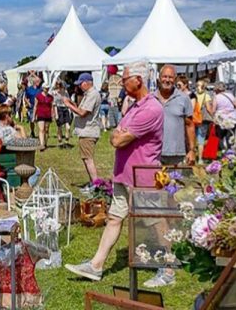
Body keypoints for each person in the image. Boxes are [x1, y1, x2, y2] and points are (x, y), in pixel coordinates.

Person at [65, 61, 164, 282]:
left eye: (125, 78)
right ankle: (96, 265)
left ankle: (167, 268)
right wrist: (118, 134)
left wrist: (118, 135)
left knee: (155, 223)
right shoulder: (135, 105)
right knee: (114, 217)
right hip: (124, 175)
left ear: (138, 80)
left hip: (143, 177)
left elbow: (118, 139)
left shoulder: (151, 108)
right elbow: (115, 134)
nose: (121, 82)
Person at [63, 72, 101, 183]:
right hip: (86, 130)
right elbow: (81, 109)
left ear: (87, 83)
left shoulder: (93, 94)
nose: (79, 86)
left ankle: (95, 185)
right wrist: (73, 104)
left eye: (81, 83)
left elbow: (83, 112)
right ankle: (92, 183)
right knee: (86, 158)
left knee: (88, 159)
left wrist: (68, 105)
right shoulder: (89, 94)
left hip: (88, 131)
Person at [155, 64, 195, 165]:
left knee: (175, 180)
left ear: (175, 79)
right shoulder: (150, 98)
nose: (167, 80)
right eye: (164, 76)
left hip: (176, 154)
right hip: (153, 152)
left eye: (170, 77)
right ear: (159, 78)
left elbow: (189, 125)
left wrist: (191, 150)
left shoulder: (183, 98)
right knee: (153, 180)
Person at [212, 82, 236, 149]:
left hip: (221, 119)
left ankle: (222, 151)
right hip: (232, 119)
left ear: (216, 89)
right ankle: (230, 152)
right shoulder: (230, 95)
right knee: (230, 137)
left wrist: (213, 118)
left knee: (220, 137)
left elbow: (213, 110)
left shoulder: (216, 97)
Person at [191, 79, 212, 163]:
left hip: (193, 119)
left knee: (192, 139)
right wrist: (213, 117)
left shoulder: (193, 95)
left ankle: (190, 156)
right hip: (202, 120)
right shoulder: (206, 96)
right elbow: (208, 108)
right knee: (201, 140)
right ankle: (200, 159)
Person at [33, 83, 54, 150]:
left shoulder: (51, 97)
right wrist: (34, 115)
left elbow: (52, 107)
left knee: (46, 129)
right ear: (42, 88)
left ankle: (45, 143)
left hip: (48, 114)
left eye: (47, 88)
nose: (46, 89)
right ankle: (42, 145)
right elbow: (35, 106)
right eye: (45, 88)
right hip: (40, 114)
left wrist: (53, 115)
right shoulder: (38, 96)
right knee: (41, 129)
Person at [52, 80, 72, 148]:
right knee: (59, 126)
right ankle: (60, 140)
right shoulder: (55, 93)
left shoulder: (66, 92)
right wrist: (56, 114)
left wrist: (69, 110)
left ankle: (66, 140)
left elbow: (69, 101)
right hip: (59, 109)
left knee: (68, 127)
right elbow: (54, 104)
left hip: (65, 109)